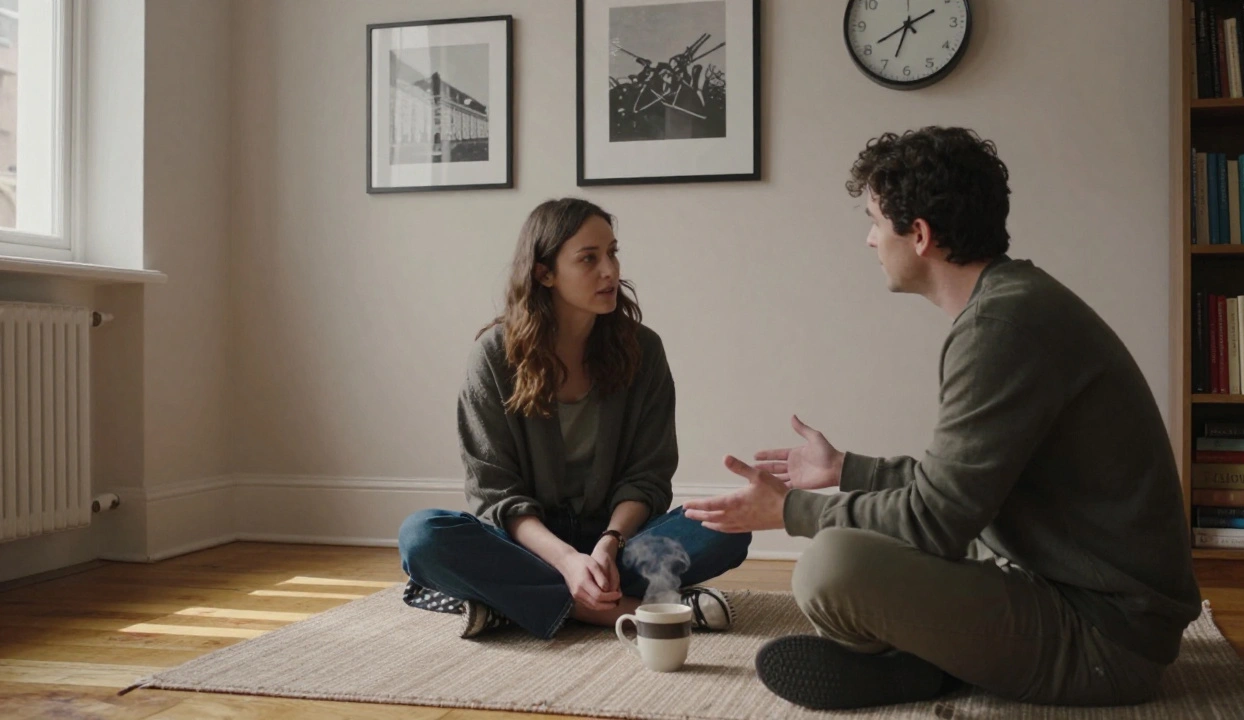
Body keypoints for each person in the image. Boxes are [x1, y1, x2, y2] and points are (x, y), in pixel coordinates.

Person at [684, 127, 1203, 710]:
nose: (870, 239)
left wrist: (788, 511)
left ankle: (922, 664)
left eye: (876, 221)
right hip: (1064, 586)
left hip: (1106, 641)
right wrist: (847, 469)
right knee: (854, 539)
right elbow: (960, 489)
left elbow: (935, 520)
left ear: (921, 235)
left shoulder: (1001, 329)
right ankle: (925, 667)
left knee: (829, 566)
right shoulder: (1013, 304)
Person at [398, 197, 752, 640]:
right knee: (423, 536)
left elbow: (648, 476)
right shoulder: (494, 356)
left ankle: (510, 604)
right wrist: (566, 561)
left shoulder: (643, 351)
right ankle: (619, 611)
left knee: (730, 526)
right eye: (589, 258)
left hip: (620, 545)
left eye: (612, 253)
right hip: (529, 544)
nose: (610, 270)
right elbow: (495, 493)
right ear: (545, 273)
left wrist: (608, 543)